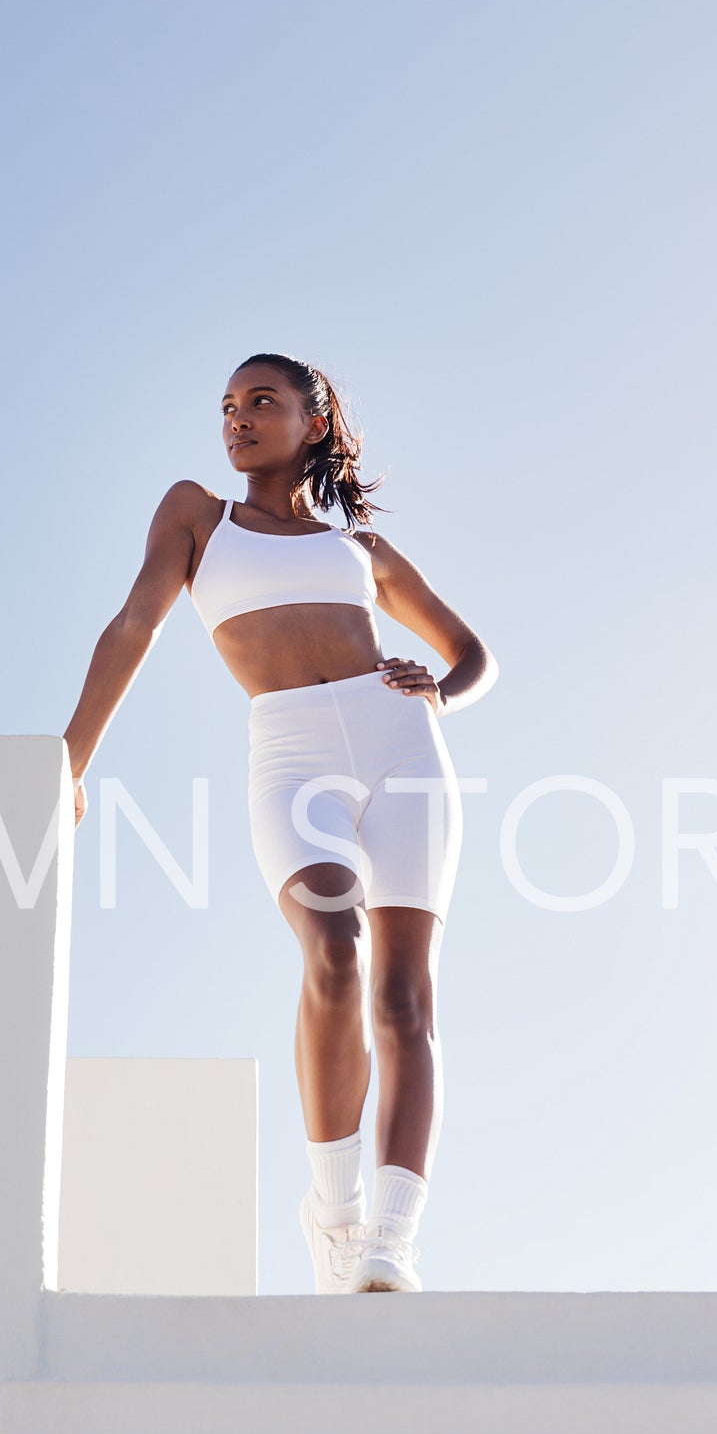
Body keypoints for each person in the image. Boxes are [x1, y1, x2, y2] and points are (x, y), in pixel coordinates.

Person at [62, 352, 497, 1294]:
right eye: (227, 406)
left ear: (314, 420)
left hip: (403, 749)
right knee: (331, 949)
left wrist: (443, 694)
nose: (238, 419)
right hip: (292, 754)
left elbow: (471, 654)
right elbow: (135, 625)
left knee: (405, 1000)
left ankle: (391, 1236)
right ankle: (333, 1212)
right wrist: (72, 755)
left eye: (262, 401)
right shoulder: (196, 516)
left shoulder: (363, 552)